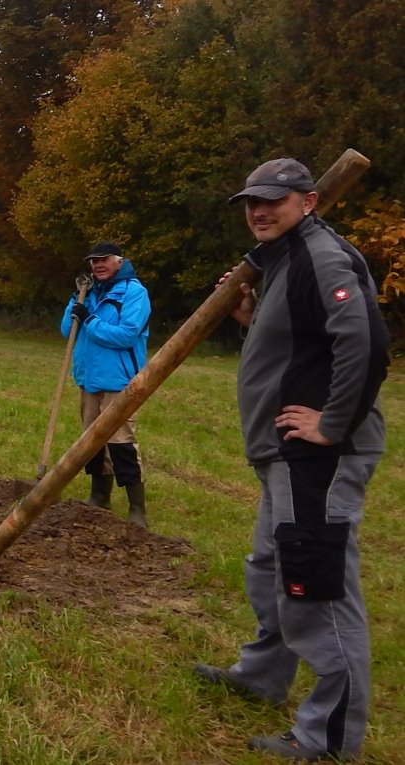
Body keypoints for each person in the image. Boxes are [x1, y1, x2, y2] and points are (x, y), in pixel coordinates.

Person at [192, 158, 388, 762]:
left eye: (273, 200)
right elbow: (296, 350)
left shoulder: (321, 257)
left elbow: (366, 339)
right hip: (284, 455)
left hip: (315, 460)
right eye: (252, 201)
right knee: (270, 565)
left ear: (309, 200)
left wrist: (331, 424)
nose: (258, 210)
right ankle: (263, 675)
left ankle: (328, 737)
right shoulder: (283, 259)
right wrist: (251, 321)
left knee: (315, 589)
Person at [59, 242, 151, 527]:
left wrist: (90, 320)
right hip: (89, 380)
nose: (97, 265)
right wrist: (77, 300)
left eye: (103, 260)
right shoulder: (89, 292)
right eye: (93, 261)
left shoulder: (134, 293)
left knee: (121, 443)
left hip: (120, 382)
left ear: (119, 261)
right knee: (92, 443)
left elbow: (125, 335)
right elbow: (67, 330)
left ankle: (137, 509)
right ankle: (99, 497)